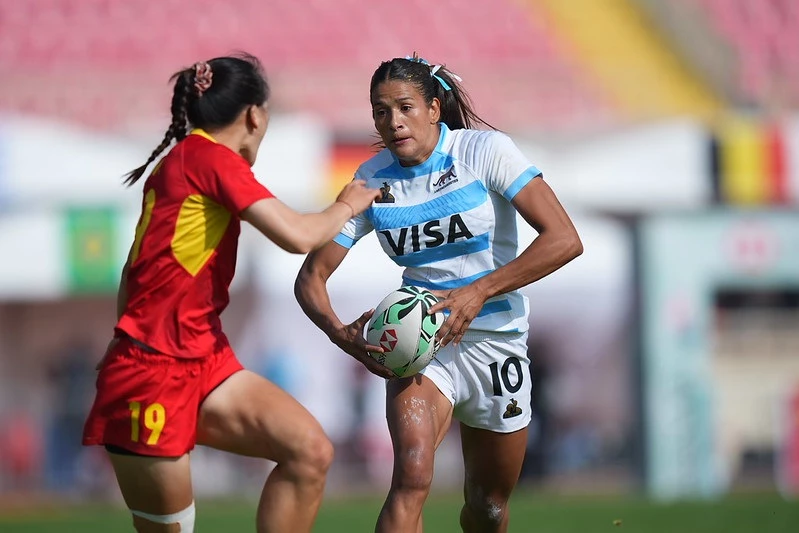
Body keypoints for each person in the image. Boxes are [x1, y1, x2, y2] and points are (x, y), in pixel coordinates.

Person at [82, 53, 382, 533]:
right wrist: (348, 202)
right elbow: (299, 235)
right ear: (255, 115)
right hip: (152, 373)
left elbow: (131, 269)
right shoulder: (210, 158)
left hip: (201, 358)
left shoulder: (184, 161)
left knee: (309, 450)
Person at [294, 53, 583, 533]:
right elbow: (310, 279)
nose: (393, 122)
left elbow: (564, 239)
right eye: (381, 112)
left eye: (405, 107)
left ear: (433, 107)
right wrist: (341, 335)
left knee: (487, 507)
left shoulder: (485, 152)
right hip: (421, 346)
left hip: (498, 341)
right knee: (410, 478)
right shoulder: (371, 180)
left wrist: (479, 291)